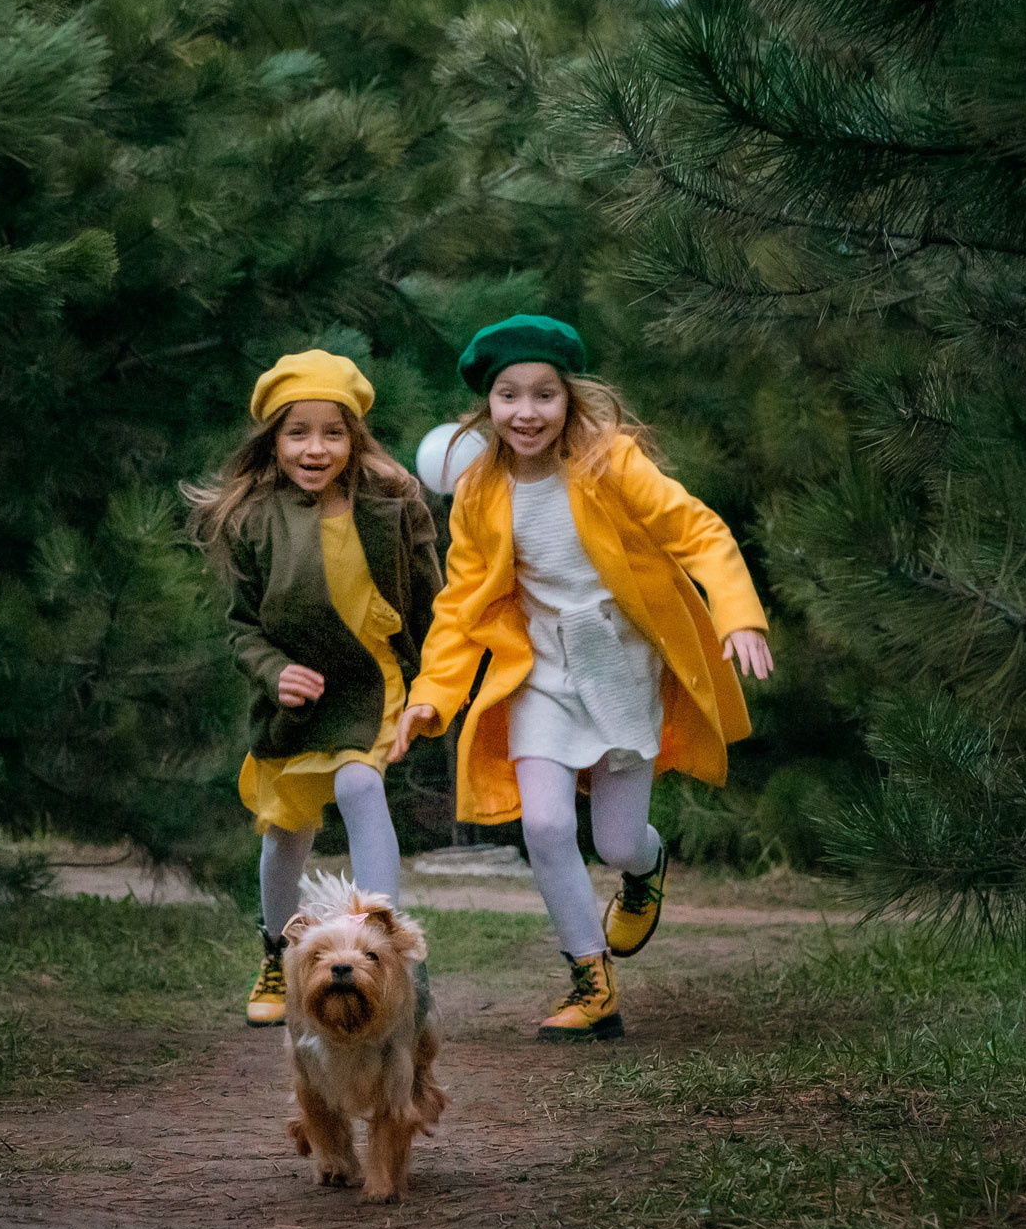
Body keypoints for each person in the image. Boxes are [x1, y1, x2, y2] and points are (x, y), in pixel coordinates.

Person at [391, 315, 772, 1041]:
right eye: (509, 395)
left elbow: (699, 530)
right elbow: (461, 604)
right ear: (487, 407)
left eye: (543, 394)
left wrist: (738, 614)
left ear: (570, 399)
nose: (526, 412)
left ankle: (643, 869)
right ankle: (591, 981)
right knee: (544, 822)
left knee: (618, 839)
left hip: (620, 664)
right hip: (539, 670)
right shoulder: (478, 491)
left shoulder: (610, 461)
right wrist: (430, 699)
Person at [185, 351, 442, 1026]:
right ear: (272, 439)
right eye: (298, 431)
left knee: (360, 785)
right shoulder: (254, 516)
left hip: (371, 679)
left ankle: (381, 947)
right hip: (297, 695)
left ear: (355, 437)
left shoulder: (391, 501)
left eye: (333, 431)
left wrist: (434, 685)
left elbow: (429, 597)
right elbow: (242, 629)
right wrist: (275, 674)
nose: (315, 447)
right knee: (286, 834)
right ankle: (277, 952)